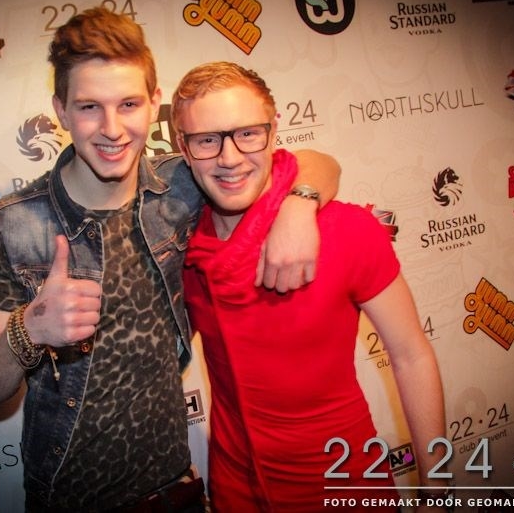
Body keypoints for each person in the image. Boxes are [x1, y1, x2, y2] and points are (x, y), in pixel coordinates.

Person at [0, 8, 339, 512]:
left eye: (129, 104)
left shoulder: (184, 184)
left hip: (176, 488)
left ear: (153, 103)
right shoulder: (17, 223)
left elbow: (314, 162)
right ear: (61, 111)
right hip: (69, 500)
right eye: (89, 107)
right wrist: (29, 329)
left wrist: (299, 205)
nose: (112, 129)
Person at [171, 61, 448, 512]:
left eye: (248, 133)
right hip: (234, 492)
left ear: (274, 131)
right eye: (206, 140)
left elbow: (411, 354)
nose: (230, 157)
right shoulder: (178, 250)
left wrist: (437, 487)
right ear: (183, 148)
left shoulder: (346, 228)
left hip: (344, 484)